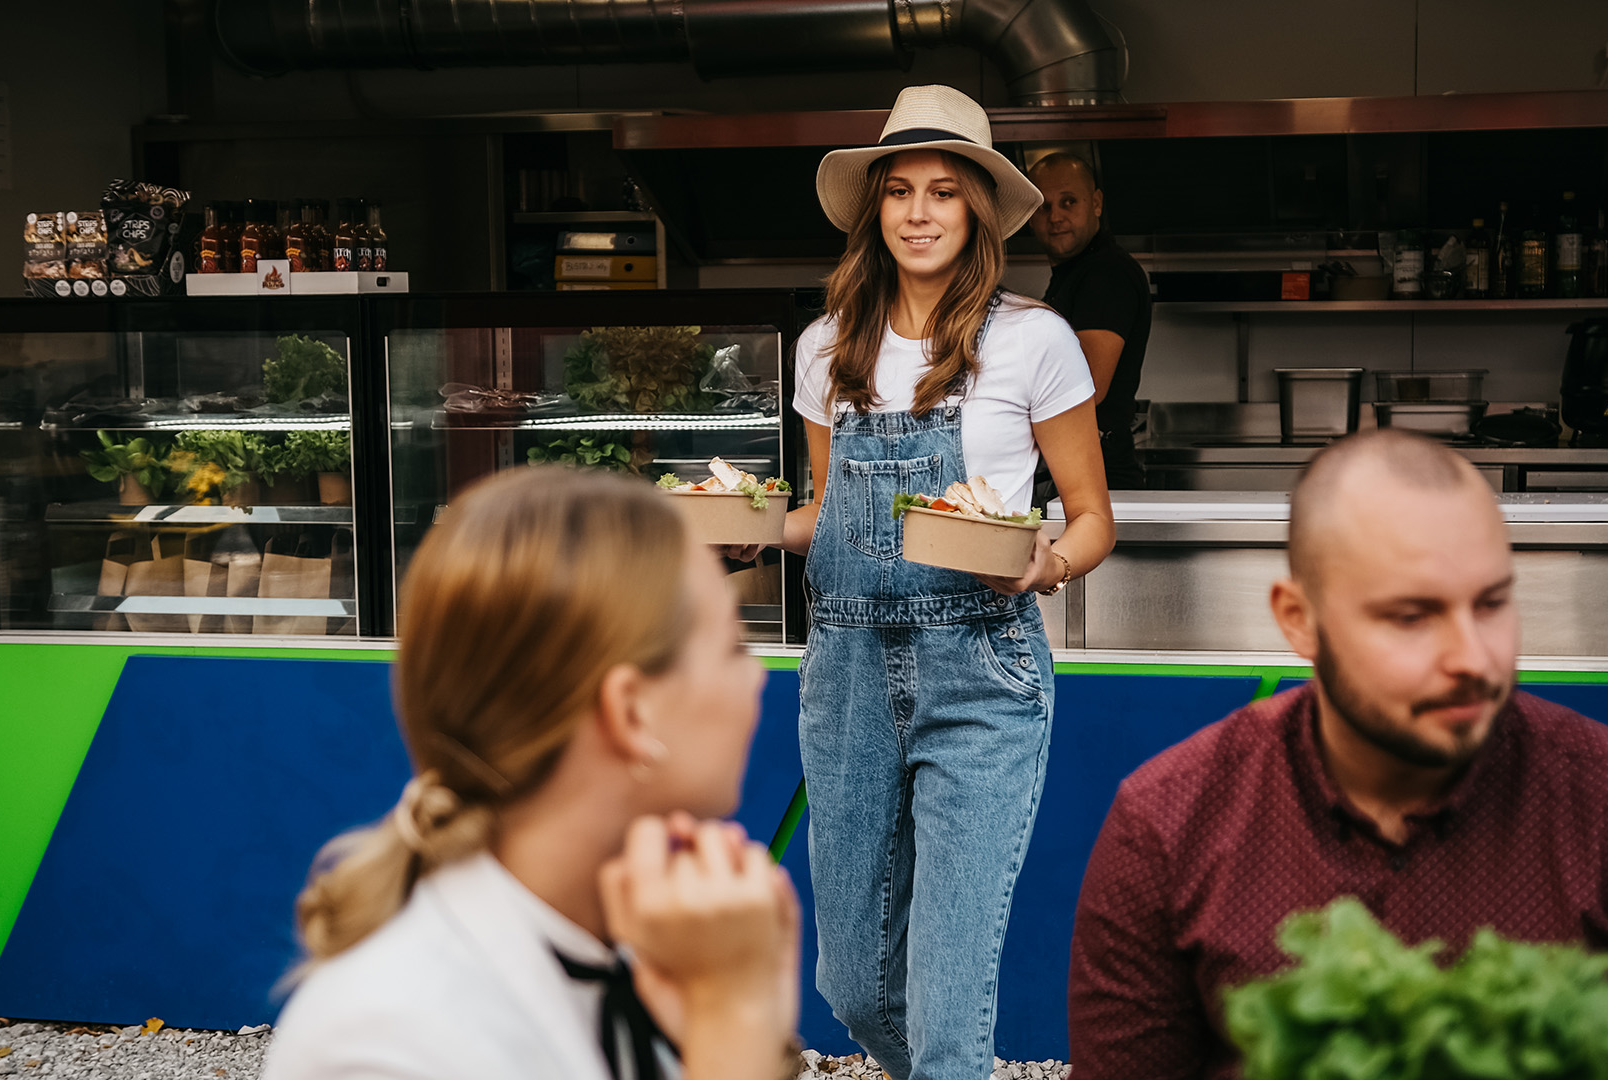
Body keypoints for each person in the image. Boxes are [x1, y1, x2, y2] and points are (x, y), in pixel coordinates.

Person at [1066, 429, 1608, 1080]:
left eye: (1491, 604)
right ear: (1299, 619)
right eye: (1410, 616)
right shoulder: (1169, 826)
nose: (1473, 659)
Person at [770, 84, 1117, 1080]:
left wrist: (1050, 556)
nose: (920, 213)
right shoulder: (826, 346)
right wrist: (748, 530)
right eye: (901, 192)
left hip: (982, 671)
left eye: (945, 192)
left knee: (948, 1009)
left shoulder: (1034, 341)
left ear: (976, 214)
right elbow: (827, 509)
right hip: (845, 679)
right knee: (854, 989)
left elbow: (1092, 516)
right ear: (874, 210)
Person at [262, 467, 802, 1080]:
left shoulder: (643, 946)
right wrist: (737, 1028)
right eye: (732, 648)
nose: (755, 678)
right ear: (630, 712)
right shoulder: (387, 1040)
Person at [1026, 151, 1152, 492]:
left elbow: (1087, 387)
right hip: (1080, 472)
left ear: (1096, 203)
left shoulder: (1106, 274)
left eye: (1069, 202)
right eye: (1043, 206)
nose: (1055, 217)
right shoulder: (1073, 274)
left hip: (1100, 479)